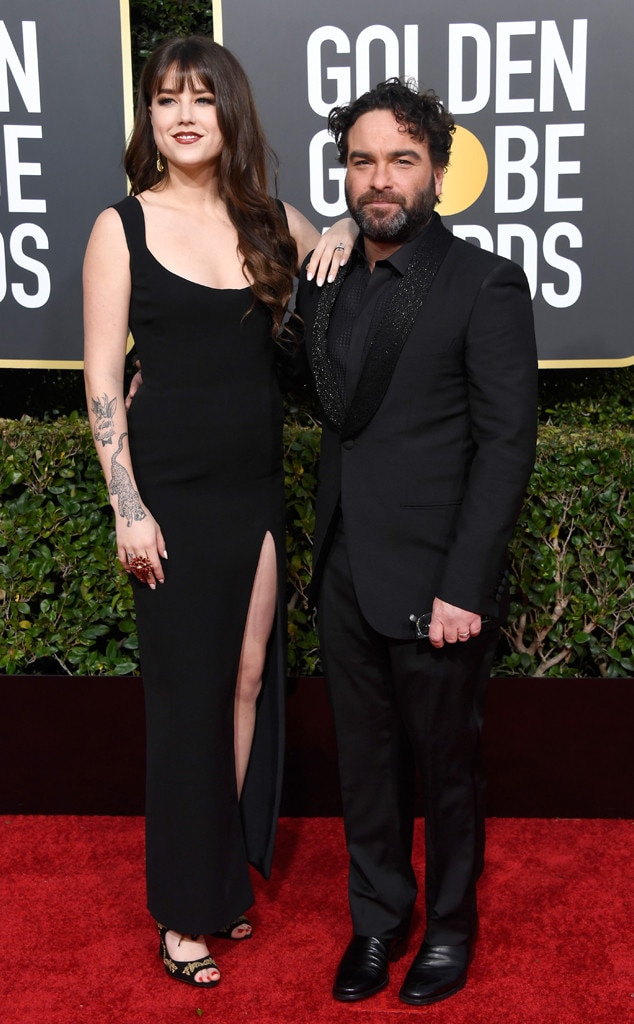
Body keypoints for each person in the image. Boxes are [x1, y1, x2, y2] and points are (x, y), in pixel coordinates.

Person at [83, 35, 355, 989]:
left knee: (246, 680)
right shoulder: (121, 226)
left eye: (202, 96)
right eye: (165, 99)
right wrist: (128, 508)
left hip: (253, 490)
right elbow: (103, 379)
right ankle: (182, 908)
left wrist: (350, 232)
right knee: (185, 702)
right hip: (168, 492)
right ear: (149, 118)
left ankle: (221, 880)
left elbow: (343, 252)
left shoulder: (270, 221)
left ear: (229, 111)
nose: (184, 113)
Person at [287, 79, 538, 1006]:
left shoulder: (483, 280)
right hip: (344, 564)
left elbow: (506, 442)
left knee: (447, 764)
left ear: (437, 170)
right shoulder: (332, 277)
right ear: (344, 175)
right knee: (367, 761)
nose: (380, 178)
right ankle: (378, 918)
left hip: (438, 577)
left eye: (401, 159)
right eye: (361, 160)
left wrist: (466, 584)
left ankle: (451, 925)